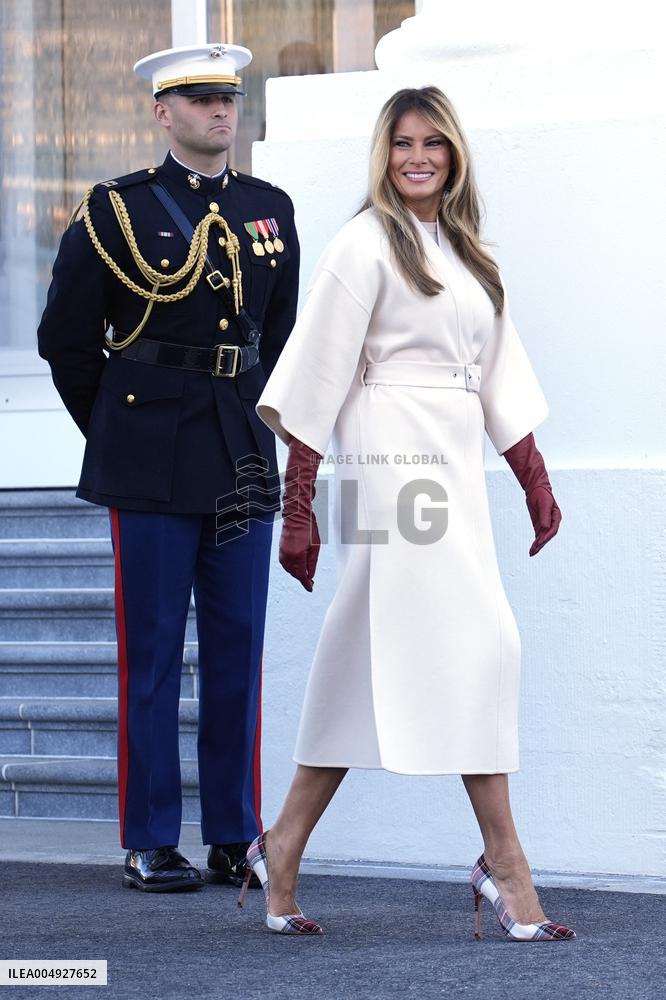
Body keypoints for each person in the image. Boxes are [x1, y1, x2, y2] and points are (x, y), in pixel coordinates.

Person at [244, 86, 575, 940]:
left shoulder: (467, 251)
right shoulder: (362, 245)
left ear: (454, 154)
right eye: (401, 143)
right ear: (383, 155)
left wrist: (532, 477)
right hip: (392, 460)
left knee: (367, 658)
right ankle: (507, 867)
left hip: (454, 464)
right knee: (480, 640)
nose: (417, 156)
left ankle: (281, 848)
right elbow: (318, 371)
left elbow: (496, 367)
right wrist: (299, 507)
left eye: (433, 142)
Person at [37, 44, 300, 893]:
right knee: (150, 655)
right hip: (146, 453)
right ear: (163, 112)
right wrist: (114, 430)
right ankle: (149, 836)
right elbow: (66, 341)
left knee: (238, 649)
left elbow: (279, 337)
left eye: (228, 98)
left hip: (239, 450)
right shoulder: (115, 212)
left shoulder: (270, 209)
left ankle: (233, 832)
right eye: (198, 99)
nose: (220, 113)